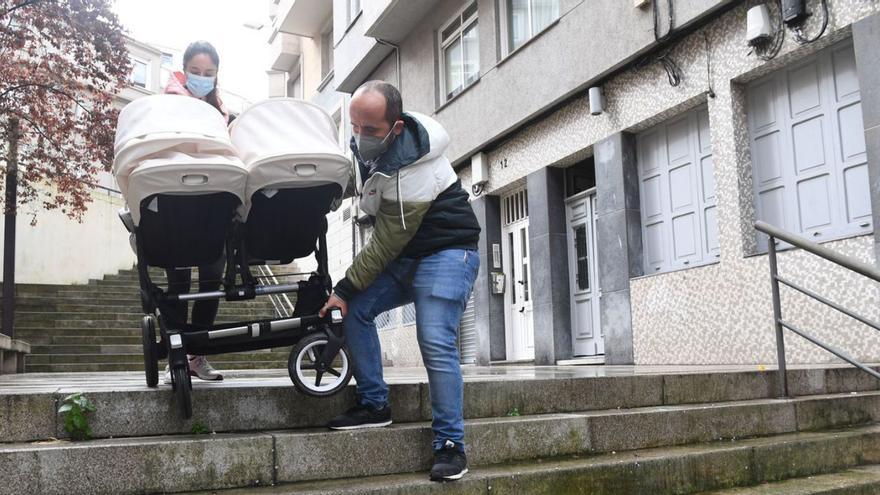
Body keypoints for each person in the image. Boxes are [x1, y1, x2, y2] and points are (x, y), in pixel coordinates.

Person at [320, 81, 481, 482]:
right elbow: (345, 184)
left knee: (434, 338)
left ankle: (449, 444)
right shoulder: (367, 148)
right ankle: (374, 403)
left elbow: (387, 241)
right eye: (354, 126)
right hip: (408, 254)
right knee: (355, 310)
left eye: (369, 130)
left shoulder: (417, 166)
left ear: (394, 128)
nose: (359, 136)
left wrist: (342, 287)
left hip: (447, 251)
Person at [161, 40, 228, 384]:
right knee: (179, 280)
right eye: (196, 72)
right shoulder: (169, 103)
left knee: (213, 276)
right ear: (185, 71)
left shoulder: (220, 109)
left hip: (210, 201)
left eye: (209, 73)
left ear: (216, 76)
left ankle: (196, 353)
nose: (202, 78)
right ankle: (176, 355)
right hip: (176, 198)